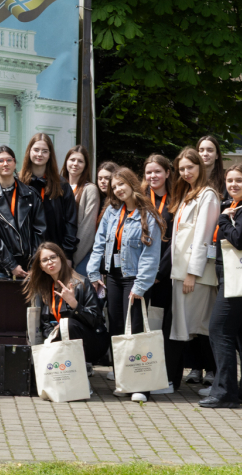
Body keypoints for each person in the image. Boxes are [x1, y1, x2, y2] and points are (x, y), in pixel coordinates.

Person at [89, 166, 162, 403]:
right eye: (114, 187)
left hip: (134, 278)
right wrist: (93, 271)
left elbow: (151, 255)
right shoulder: (112, 212)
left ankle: (141, 386)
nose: (118, 190)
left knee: (136, 329)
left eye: (122, 184)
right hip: (113, 277)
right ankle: (124, 380)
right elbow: (99, 242)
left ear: (132, 183)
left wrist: (140, 286)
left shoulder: (147, 215)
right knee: (117, 328)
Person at [201, 164, 242, 409]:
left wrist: (223, 223)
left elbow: (240, 241)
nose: (233, 185)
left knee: (219, 330)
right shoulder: (233, 206)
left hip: (239, 282)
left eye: (239, 180)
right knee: (241, 334)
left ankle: (224, 392)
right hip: (233, 279)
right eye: (229, 181)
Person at [169, 148, 219, 386]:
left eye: (190, 167)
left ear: (200, 166)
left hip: (194, 275)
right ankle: (200, 375)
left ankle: (213, 376)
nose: (186, 172)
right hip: (181, 272)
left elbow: (203, 237)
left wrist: (192, 273)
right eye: (182, 169)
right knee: (188, 328)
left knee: (197, 327)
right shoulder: (189, 194)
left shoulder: (207, 195)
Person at [24, 242, 106, 366]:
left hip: (91, 342)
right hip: (59, 341)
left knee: (68, 325)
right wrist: (55, 333)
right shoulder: (44, 289)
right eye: (45, 260)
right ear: (41, 266)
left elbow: (96, 320)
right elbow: (45, 323)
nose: (50, 262)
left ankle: (80, 369)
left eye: (53, 257)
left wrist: (74, 304)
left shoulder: (81, 284)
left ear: (61, 258)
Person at [143, 153, 181, 392]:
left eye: (157, 171)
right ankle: (147, 374)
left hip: (166, 275)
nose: (153, 176)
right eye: (148, 172)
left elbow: (177, 241)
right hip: (142, 275)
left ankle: (169, 378)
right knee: (147, 325)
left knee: (168, 326)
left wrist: (160, 271)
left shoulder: (177, 200)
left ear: (168, 173)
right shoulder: (140, 199)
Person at [0, 146, 45, 279]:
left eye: (9, 160)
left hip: (29, 266)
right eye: (1, 160)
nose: (5, 164)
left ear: (15, 163)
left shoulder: (31, 194)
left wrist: (34, 265)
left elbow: (40, 231)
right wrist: (11, 265)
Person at [20, 134, 78, 260]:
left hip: (55, 256)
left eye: (45, 151)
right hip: (26, 257)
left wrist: (67, 255)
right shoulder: (19, 184)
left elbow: (71, 223)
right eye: (36, 150)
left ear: (50, 154)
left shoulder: (62, 185)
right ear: (29, 152)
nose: (40, 154)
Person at [62, 146, 100, 274]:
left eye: (80, 161)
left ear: (85, 166)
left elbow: (87, 230)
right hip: (58, 256)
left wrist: (72, 259)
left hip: (80, 256)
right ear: (66, 161)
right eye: (72, 159)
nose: (75, 164)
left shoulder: (90, 189)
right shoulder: (58, 187)